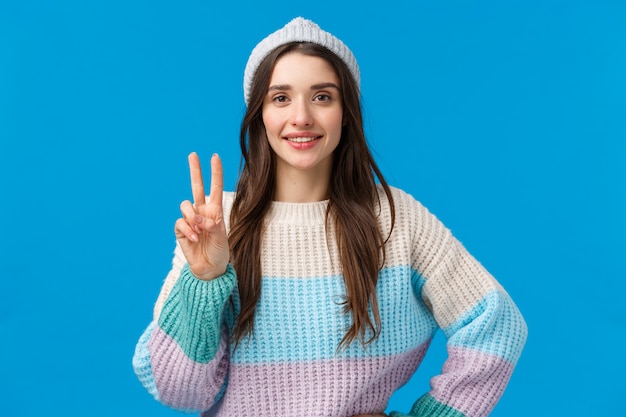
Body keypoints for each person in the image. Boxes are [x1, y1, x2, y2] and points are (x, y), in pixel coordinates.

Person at [132, 17, 528, 417]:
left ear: (346, 112)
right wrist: (204, 282)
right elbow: (177, 392)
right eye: (281, 98)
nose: (301, 116)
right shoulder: (217, 224)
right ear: (260, 115)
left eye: (322, 97)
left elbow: (498, 326)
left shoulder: (396, 219)